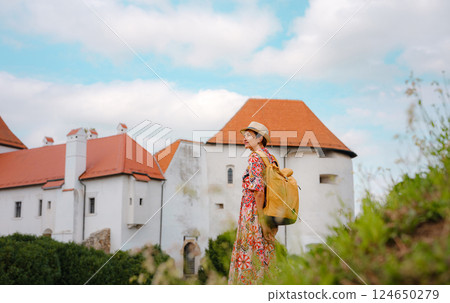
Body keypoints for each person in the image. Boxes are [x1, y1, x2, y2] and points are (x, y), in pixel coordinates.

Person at [228, 121, 279, 285]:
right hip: (268, 210)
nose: (245, 138)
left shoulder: (255, 157)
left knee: (250, 252)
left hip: (254, 213)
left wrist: (261, 220)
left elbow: (258, 191)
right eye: (245, 135)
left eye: (249, 135)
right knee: (264, 252)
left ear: (259, 139)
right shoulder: (270, 158)